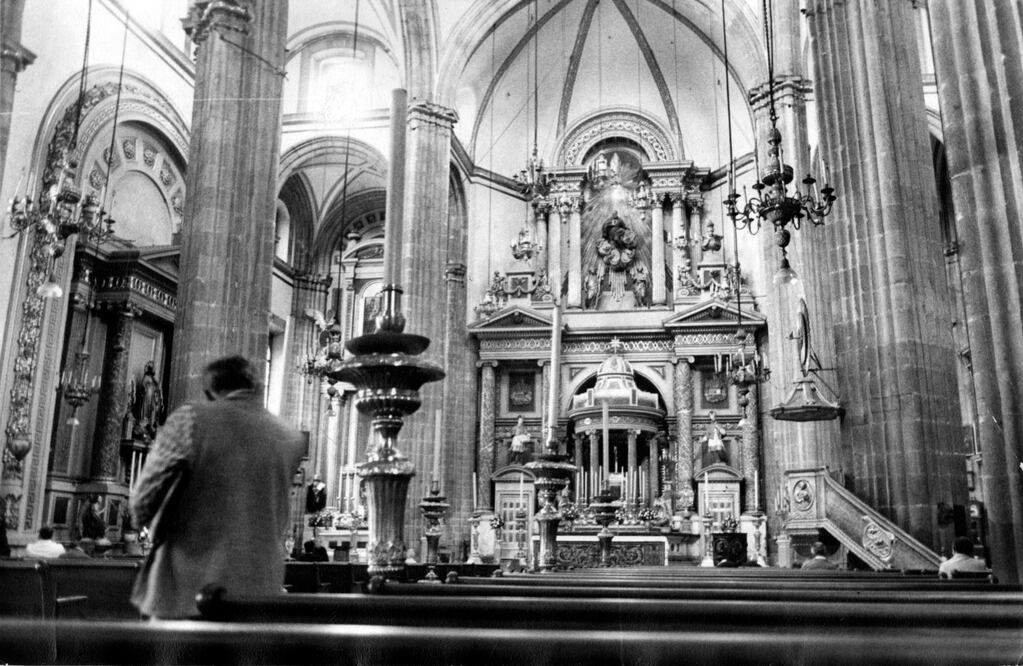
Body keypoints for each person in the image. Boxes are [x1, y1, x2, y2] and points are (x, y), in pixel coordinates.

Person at [130, 355, 306, 619]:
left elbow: (141, 503)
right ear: (255, 386)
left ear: (210, 390)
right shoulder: (290, 436)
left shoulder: (192, 419)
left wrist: (149, 522)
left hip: (187, 591)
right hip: (260, 594)